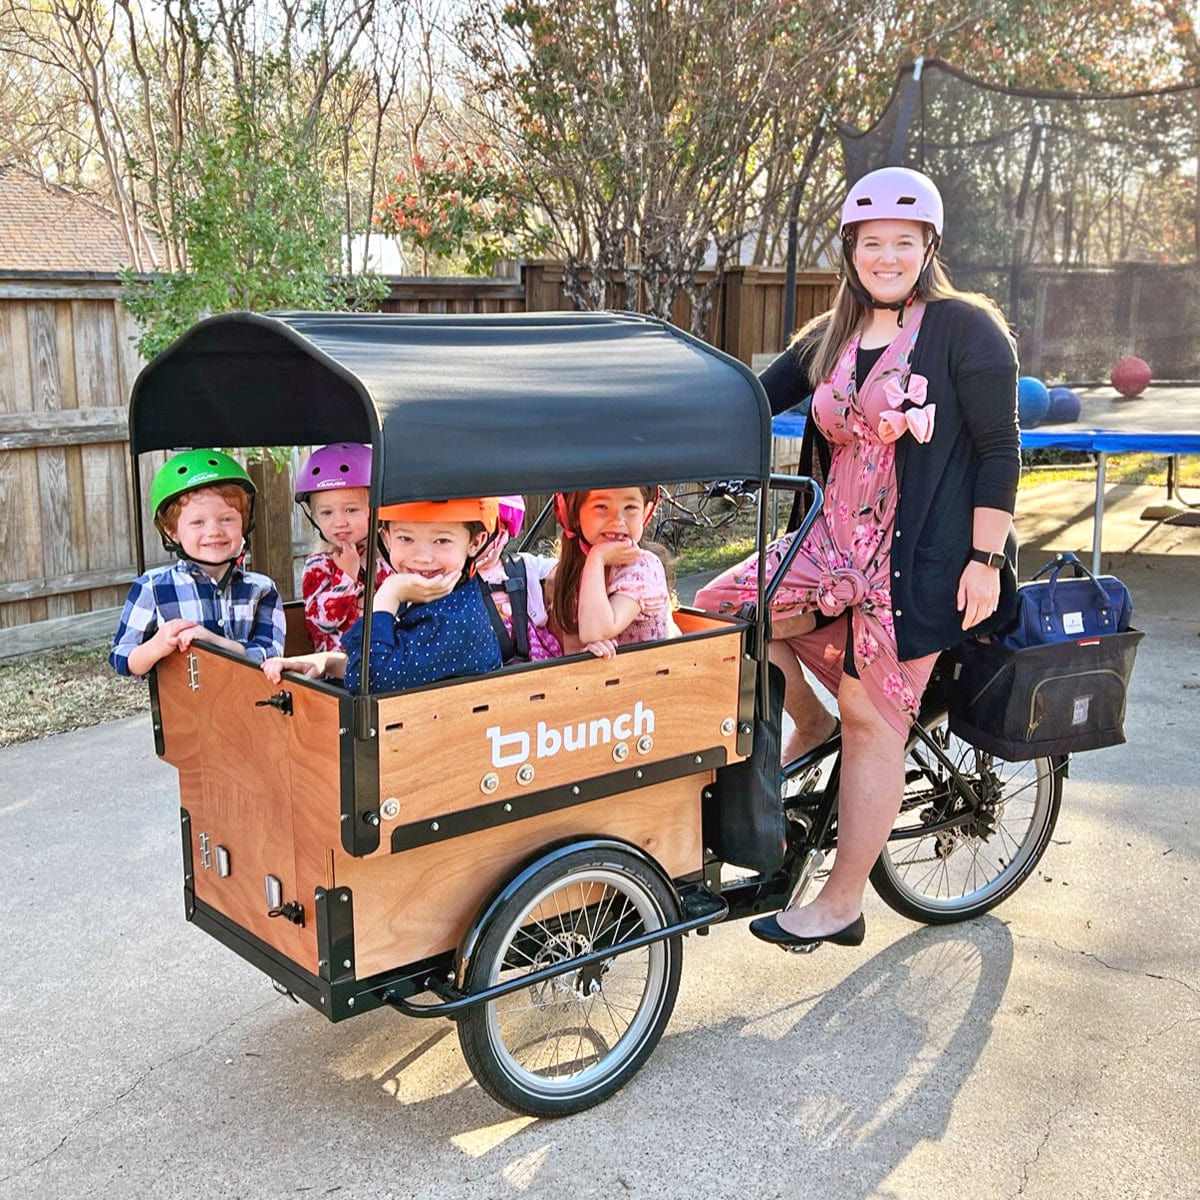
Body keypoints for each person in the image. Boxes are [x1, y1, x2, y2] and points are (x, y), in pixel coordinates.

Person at [694, 167, 1020, 951]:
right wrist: (660, 422)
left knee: (873, 720)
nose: (886, 256)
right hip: (827, 540)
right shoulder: (831, 333)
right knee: (717, 614)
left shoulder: (964, 329)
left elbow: (997, 448)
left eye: (903, 243)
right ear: (851, 249)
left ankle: (841, 903)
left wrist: (984, 556)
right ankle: (806, 721)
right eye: (872, 242)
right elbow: (746, 397)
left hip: (923, 560)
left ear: (928, 247)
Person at [262, 497, 502, 691]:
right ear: (386, 539)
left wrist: (390, 592)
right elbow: (395, 665)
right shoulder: (434, 597)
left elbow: (369, 681)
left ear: (475, 542)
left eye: (442, 540)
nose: (422, 557)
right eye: (405, 538)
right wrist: (328, 662)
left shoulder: (456, 620)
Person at [110, 450, 285, 677]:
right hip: (184, 708)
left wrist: (213, 641)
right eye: (197, 522)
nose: (214, 531)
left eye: (226, 518)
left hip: (250, 705)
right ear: (172, 531)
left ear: (244, 522)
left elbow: (272, 653)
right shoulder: (152, 587)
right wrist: (157, 645)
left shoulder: (261, 589)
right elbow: (121, 657)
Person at [550, 486, 672, 659]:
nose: (617, 520)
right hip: (607, 682)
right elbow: (573, 653)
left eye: (630, 507)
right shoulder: (573, 574)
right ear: (575, 514)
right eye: (601, 506)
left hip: (650, 680)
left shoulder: (643, 566)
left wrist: (597, 556)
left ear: (645, 513)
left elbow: (596, 631)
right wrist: (587, 654)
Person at [295, 442, 392, 652]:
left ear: (377, 508)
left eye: (350, 510)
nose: (339, 522)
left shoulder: (389, 558)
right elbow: (322, 621)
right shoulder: (319, 565)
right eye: (327, 513)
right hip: (338, 672)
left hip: (384, 663)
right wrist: (346, 575)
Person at [476, 494, 563, 662]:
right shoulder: (452, 580)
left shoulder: (524, 565)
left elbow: (562, 570)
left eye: (481, 531)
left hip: (532, 659)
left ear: (502, 534)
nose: (473, 541)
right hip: (484, 667)